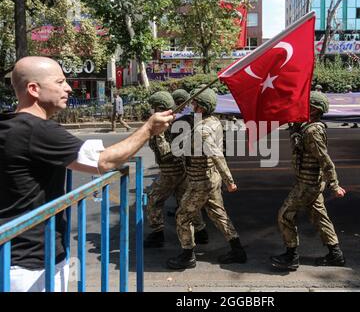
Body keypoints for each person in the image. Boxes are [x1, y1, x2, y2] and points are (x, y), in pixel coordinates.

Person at [0, 56, 174, 292]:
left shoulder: (11, 124)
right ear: (34, 89)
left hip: (12, 255)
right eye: (60, 82)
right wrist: (148, 129)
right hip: (31, 264)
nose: (69, 88)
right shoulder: (37, 130)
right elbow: (104, 162)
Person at [166, 88, 246, 269]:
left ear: (201, 108)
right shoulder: (214, 122)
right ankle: (238, 250)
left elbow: (217, 154)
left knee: (182, 216)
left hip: (200, 180)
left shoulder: (202, 129)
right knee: (218, 214)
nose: (191, 106)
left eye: (194, 104)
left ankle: (187, 255)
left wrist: (230, 180)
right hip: (211, 178)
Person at [270, 91, 346, 271]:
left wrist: (334, 185)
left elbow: (325, 160)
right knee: (320, 217)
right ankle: (335, 254)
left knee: (285, 215)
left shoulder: (312, 131)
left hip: (307, 184)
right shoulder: (306, 127)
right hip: (309, 183)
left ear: (313, 109)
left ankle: (291, 256)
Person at [144, 91, 208, 248]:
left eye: (154, 107)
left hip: (170, 172)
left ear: (159, 107)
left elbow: (166, 153)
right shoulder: (178, 122)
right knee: (186, 202)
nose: (151, 110)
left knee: (154, 200)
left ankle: (157, 233)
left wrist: (157, 134)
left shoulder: (166, 126)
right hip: (181, 171)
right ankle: (201, 232)